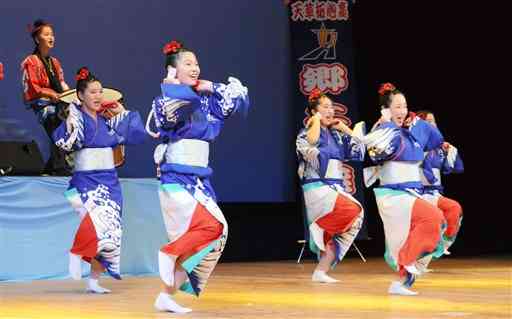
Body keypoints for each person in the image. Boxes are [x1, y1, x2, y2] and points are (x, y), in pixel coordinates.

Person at [146, 40, 249, 313]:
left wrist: (211, 86)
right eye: (187, 63)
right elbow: (171, 114)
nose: (195, 68)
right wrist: (172, 85)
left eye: (196, 63)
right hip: (177, 178)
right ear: (172, 70)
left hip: (199, 180)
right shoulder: (165, 99)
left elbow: (237, 101)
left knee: (209, 239)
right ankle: (167, 253)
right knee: (214, 227)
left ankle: (166, 296)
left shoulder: (205, 99)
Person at [52, 67, 145, 293]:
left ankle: (94, 280)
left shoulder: (107, 120)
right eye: (92, 92)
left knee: (110, 232)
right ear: (81, 96)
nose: (97, 96)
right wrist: (72, 116)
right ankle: (76, 250)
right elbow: (64, 141)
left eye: (100, 92)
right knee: (93, 222)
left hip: (110, 182)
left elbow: (136, 135)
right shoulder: (77, 118)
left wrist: (123, 114)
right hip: (85, 181)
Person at [357, 83, 446, 295]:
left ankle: (402, 282)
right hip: (395, 195)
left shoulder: (407, 132)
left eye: (404, 106)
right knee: (432, 217)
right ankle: (407, 264)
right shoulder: (382, 131)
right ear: (386, 109)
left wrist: (417, 123)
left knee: (436, 223)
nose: (402, 111)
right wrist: (386, 125)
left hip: (411, 193)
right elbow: (375, 154)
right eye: (397, 107)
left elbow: (436, 139)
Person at [295, 88, 365, 283]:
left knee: (356, 219)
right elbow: (312, 141)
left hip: (334, 189)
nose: (330, 111)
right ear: (314, 111)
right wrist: (316, 120)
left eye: (331, 107)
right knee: (354, 209)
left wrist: (345, 129)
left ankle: (321, 271)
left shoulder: (337, 136)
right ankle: (319, 228)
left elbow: (360, 150)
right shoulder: (304, 134)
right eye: (325, 107)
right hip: (317, 188)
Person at [21, 19, 71, 175]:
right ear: (37, 39)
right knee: (57, 125)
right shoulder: (31, 61)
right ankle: (59, 168)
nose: (51, 37)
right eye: (47, 34)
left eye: (52, 34)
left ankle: (49, 169)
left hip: (58, 104)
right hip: (43, 105)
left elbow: (62, 83)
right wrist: (52, 95)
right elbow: (33, 87)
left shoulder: (54, 62)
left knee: (69, 126)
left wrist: (72, 95)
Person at [417, 110, 463, 256]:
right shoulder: (413, 144)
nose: (432, 124)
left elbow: (454, 167)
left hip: (434, 194)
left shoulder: (439, 149)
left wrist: (449, 151)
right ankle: (415, 257)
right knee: (433, 221)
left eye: (434, 121)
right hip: (416, 194)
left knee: (454, 209)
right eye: (428, 121)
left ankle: (443, 244)